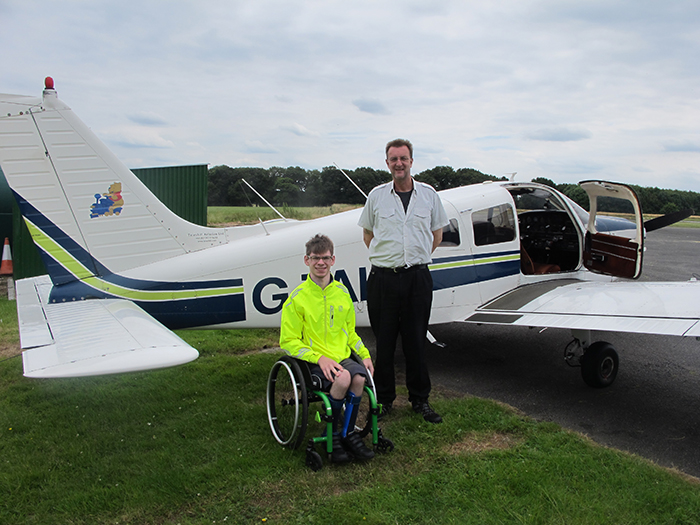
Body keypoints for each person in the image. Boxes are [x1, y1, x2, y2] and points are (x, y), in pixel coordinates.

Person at [357, 138, 449, 424]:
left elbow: (437, 236)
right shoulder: (376, 196)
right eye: (393, 159)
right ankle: (384, 401)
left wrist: (413, 260)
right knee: (384, 344)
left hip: (417, 279)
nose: (399, 163)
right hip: (383, 279)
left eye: (403, 158)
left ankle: (420, 400)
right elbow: (368, 235)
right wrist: (392, 260)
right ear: (387, 164)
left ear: (411, 161)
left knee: (415, 342)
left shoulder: (430, 195)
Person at [279, 234, 376, 463]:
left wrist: (365, 355)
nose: (320, 263)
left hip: (342, 358)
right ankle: (331, 435)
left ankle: (348, 433)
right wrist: (318, 358)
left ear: (333, 260)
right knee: (343, 379)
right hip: (313, 362)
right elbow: (288, 341)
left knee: (360, 379)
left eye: (325, 258)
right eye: (315, 258)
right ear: (307, 260)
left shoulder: (342, 293)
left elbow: (350, 333)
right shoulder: (297, 298)